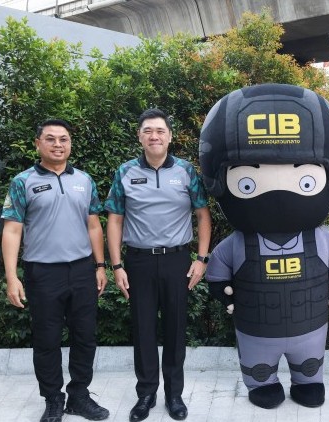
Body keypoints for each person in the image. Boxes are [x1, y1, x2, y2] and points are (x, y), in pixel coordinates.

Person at [200, 83, 329, 410]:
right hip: (256, 325)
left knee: (310, 363)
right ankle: (262, 382)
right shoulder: (237, 243)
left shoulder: (322, 240)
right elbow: (216, 274)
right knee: (258, 365)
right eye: (246, 183)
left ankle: (308, 380)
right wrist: (227, 296)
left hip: (309, 322)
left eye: (306, 181)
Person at [105, 108, 212, 422]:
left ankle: (174, 395)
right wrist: (116, 265)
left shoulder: (185, 171)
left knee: (176, 330)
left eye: (160, 131)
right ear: (139, 137)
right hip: (138, 261)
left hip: (177, 261)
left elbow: (203, 214)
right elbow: (114, 219)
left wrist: (201, 259)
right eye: (148, 131)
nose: (154, 136)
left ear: (169, 136)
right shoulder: (125, 172)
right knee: (143, 330)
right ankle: (146, 394)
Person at [1, 119, 110, 422]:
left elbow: (93, 225)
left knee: (85, 336)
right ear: (38, 144)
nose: (58, 144)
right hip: (43, 273)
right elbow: (12, 230)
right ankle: (53, 399)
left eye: (63, 139)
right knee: (47, 340)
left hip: (82, 271)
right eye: (50, 139)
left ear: (70, 144)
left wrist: (100, 266)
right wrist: (11, 276)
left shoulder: (84, 180)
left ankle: (79, 396)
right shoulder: (23, 182)